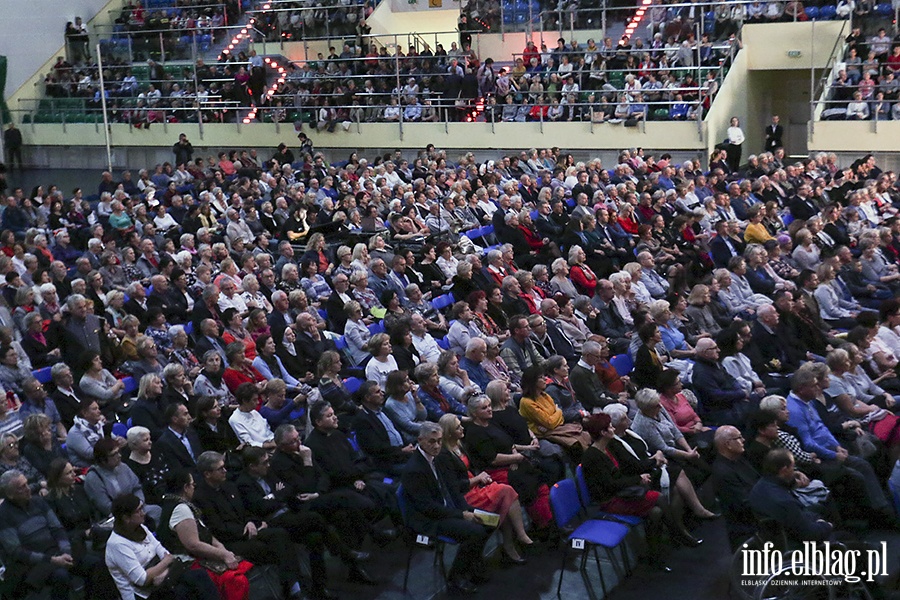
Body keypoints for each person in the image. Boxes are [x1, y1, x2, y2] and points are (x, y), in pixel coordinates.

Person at [581, 413, 699, 571]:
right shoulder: (592, 456)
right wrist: (637, 479)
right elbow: (610, 484)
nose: (612, 428)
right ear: (603, 433)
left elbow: (618, 475)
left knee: (655, 513)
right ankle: (678, 533)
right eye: (609, 426)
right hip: (608, 500)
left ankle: (656, 557)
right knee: (659, 498)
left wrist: (637, 477)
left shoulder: (607, 448)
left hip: (620, 492)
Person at [191, 451, 307, 600]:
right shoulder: (201, 497)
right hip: (230, 541)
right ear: (207, 474)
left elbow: (246, 510)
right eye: (220, 469)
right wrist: (245, 531)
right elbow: (217, 528)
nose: (225, 471)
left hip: (249, 529)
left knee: (279, 535)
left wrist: (251, 522)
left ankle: (291, 586)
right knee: (270, 549)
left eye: (224, 467)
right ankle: (291, 586)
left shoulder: (229, 486)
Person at [400, 422, 491, 595]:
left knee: (489, 521)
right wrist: (462, 515)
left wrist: (467, 510)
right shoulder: (414, 469)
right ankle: (456, 577)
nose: (436, 446)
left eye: (439, 441)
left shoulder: (437, 458)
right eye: (432, 442)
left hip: (444, 509)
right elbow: (427, 507)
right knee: (476, 532)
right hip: (428, 520)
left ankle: (472, 565)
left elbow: (451, 490)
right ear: (420, 440)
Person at [438, 413, 534, 564]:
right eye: (458, 427)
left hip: (474, 484)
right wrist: (478, 478)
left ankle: (510, 545)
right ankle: (518, 538)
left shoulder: (459, 445)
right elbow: (455, 486)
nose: (462, 428)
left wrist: (481, 479)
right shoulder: (443, 455)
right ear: (449, 433)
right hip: (464, 495)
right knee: (506, 492)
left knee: (506, 499)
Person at [0, 469, 110, 600]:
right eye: (21, 488)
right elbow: (17, 552)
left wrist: (66, 551)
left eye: (27, 484)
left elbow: (57, 528)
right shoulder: (4, 515)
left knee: (95, 564)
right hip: (34, 562)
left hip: (57, 551)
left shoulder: (38, 502)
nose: (28, 489)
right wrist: (53, 560)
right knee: (61, 575)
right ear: (10, 494)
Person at [155, 469, 255, 598]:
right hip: (190, 563)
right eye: (192, 485)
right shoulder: (180, 509)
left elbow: (204, 532)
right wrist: (222, 555)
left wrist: (221, 548)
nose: (194, 488)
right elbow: (193, 545)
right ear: (185, 487)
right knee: (236, 580)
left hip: (204, 555)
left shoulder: (180, 504)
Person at [105, 493, 219, 600]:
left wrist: (163, 572)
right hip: (142, 594)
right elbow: (142, 579)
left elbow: (162, 551)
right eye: (138, 511)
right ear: (126, 518)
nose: (143, 513)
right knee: (185, 591)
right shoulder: (117, 544)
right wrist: (164, 563)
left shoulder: (141, 528)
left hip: (162, 579)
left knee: (199, 575)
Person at [518, 363, 591, 456]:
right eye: (541, 377)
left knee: (587, 436)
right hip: (543, 435)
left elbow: (557, 420)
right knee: (576, 444)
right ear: (533, 382)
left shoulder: (545, 395)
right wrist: (558, 412)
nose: (545, 379)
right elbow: (550, 422)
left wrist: (554, 416)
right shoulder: (526, 402)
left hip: (558, 428)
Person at [352, 380, 415, 476]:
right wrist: (401, 451)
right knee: (420, 469)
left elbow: (397, 431)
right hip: (387, 462)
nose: (382, 394)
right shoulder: (362, 420)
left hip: (403, 453)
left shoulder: (383, 410)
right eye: (377, 392)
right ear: (368, 398)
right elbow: (376, 448)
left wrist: (408, 445)